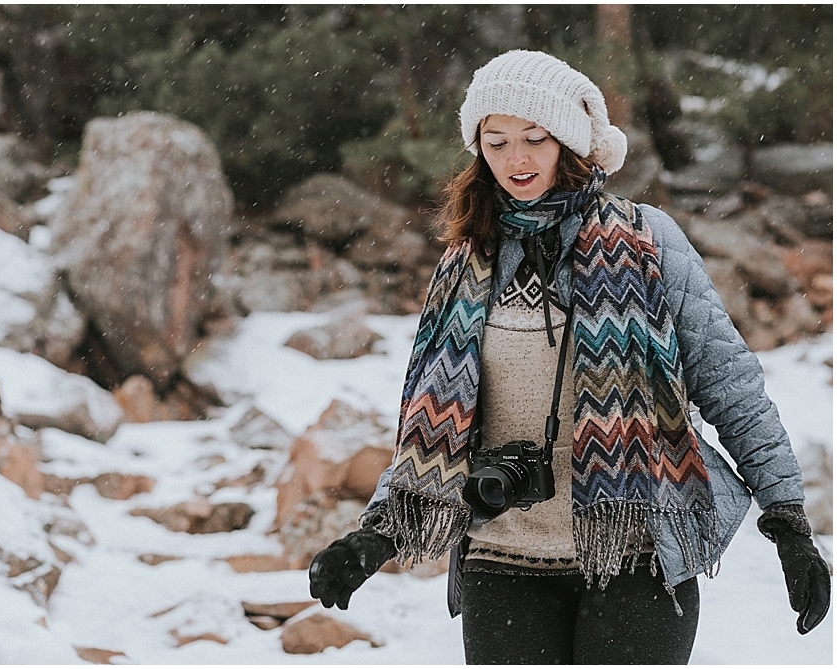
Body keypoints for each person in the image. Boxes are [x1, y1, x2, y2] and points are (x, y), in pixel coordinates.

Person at [308, 49, 831, 664]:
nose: (516, 160)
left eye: (535, 138)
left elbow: (728, 384)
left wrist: (788, 516)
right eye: (496, 143)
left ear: (570, 143)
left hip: (636, 555)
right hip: (501, 560)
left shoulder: (647, 240)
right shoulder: (464, 262)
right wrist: (372, 538)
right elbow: (431, 425)